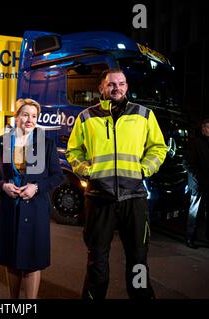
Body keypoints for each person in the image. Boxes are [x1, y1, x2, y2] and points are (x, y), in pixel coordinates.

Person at [66, 69, 167, 299]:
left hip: (134, 198)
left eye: (121, 83)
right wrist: (87, 171)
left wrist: (144, 169)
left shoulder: (144, 114)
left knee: (138, 258)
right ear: (101, 88)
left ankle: (141, 297)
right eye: (111, 84)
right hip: (98, 198)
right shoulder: (86, 117)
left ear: (126, 86)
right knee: (97, 258)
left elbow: (158, 148)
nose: (116, 88)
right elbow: (73, 151)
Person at [0, 98, 63, 299]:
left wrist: (36, 187)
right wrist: (3, 186)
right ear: (16, 116)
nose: (30, 120)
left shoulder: (47, 143)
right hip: (8, 208)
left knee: (32, 260)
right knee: (11, 258)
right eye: (25, 114)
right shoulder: (0, 142)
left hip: (35, 209)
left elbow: (57, 176)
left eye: (34, 116)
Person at [183, 118, 209, 248]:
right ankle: (190, 238)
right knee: (194, 213)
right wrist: (199, 178)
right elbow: (187, 163)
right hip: (198, 184)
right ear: (203, 129)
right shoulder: (195, 143)